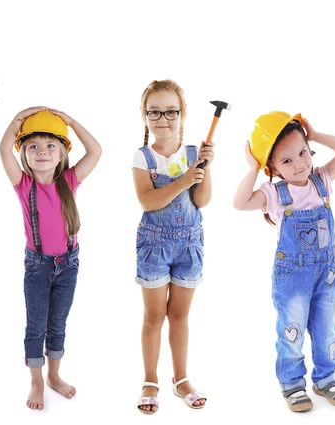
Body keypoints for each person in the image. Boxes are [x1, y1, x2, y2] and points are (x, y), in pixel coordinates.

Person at [233, 111, 335, 412]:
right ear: (272, 167)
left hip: (326, 273)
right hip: (292, 278)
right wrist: (252, 167)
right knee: (292, 328)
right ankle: (291, 383)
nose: (299, 163)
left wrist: (313, 134)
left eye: (302, 152)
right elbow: (239, 203)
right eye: (286, 161)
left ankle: (326, 377)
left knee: (327, 327)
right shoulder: (274, 194)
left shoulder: (321, 180)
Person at [0, 107, 101, 410]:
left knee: (57, 324)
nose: (42, 151)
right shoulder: (23, 184)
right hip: (38, 267)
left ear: (61, 154)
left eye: (50, 145)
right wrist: (18, 119)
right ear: (24, 154)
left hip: (68, 265)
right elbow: (3, 147)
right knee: (36, 327)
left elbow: (96, 150)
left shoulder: (69, 181)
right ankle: (36, 380)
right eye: (33, 146)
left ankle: (54, 376)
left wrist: (70, 121)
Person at [133, 80, 212, 414]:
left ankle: (181, 379)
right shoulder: (143, 157)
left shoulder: (194, 154)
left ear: (182, 115)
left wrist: (206, 170)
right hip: (154, 245)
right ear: (145, 116)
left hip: (190, 245)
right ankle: (150, 379)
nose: (162, 119)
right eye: (154, 112)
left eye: (170, 112)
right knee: (154, 317)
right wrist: (183, 179)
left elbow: (203, 200)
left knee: (180, 316)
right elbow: (148, 201)